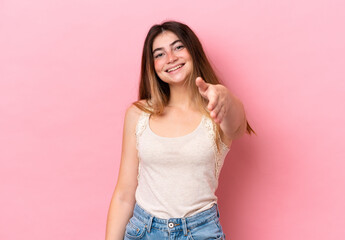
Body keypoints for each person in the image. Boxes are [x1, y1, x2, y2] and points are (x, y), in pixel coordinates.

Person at [105, 20, 255, 240]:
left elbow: (237, 127)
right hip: (143, 231)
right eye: (159, 54)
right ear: (152, 66)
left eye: (178, 47)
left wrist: (224, 95)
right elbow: (124, 195)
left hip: (201, 231)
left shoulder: (217, 111)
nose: (171, 58)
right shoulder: (138, 114)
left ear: (193, 51)